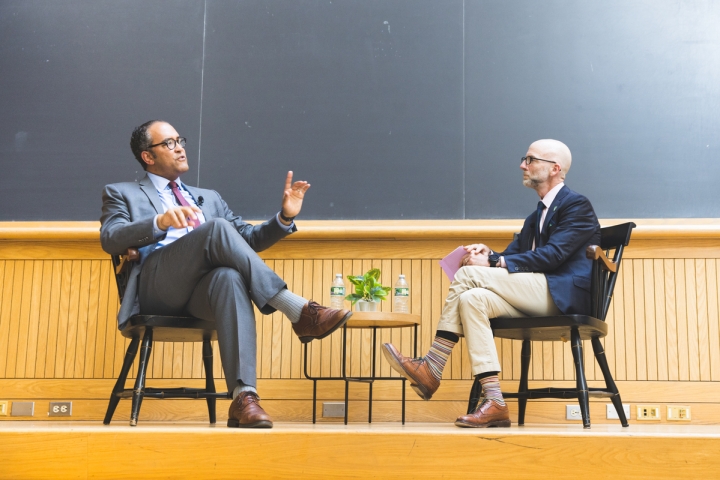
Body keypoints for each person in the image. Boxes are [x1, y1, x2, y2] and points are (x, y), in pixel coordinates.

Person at [100, 120, 352, 429]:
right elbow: (110, 237)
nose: (179, 147)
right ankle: (297, 309)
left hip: (200, 295)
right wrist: (159, 222)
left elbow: (246, 240)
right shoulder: (121, 192)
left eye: (180, 140)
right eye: (168, 143)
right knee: (216, 229)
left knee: (229, 278)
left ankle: (244, 398)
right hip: (157, 289)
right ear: (147, 157)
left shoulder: (210, 197)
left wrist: (285, 217)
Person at [382, 139, 600, 428]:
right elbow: (514, 257)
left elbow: (553, 256)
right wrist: (491, 254)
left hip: (561, 295)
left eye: (530, 159)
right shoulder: (536, 216)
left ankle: (432, 364)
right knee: (471, 299)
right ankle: (495, 401)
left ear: (554, 169)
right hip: (535, 293)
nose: (523, 165)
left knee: (468, 275)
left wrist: (494, 262)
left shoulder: (576, 205)